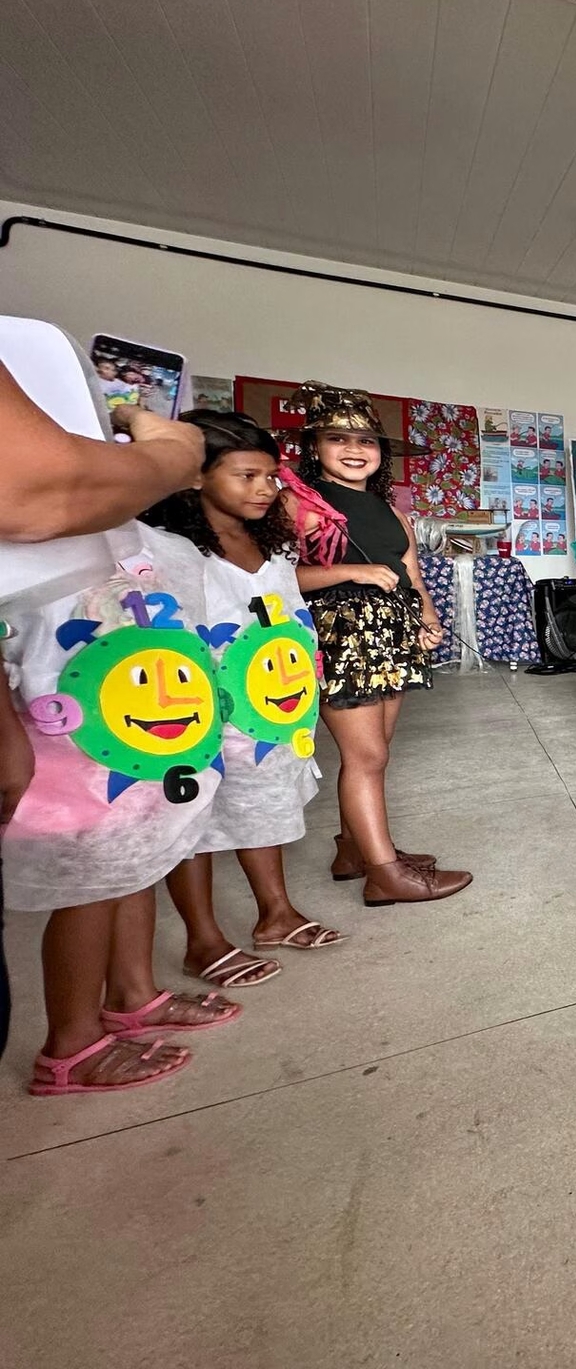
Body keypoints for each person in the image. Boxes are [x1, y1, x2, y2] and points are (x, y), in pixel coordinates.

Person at [0, 318, 218, 1087]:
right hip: (68, 734)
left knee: (135, 863)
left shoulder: (129, 536)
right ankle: (71, 1044)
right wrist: (168, 450)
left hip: (133, 734)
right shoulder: (39, 516)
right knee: (88, 882)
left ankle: (132, 995)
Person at [141, 411, 339, 990]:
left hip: (267, 706)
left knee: (264, 805)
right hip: (196, 708)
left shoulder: (268, 539)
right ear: (195, 477)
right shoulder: (171, 548)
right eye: (246, 475)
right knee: (193, 821)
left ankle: (275, 913)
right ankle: (203, 941)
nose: (264, 489)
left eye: (270, 476)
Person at [281, 382, 470, 906]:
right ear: (314, 447)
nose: (354, 449)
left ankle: (355, 849)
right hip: (339, 636)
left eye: (366, 440)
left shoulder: (391, 510)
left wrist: (426, 618)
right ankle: (385, 874)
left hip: (393, 631)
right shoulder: (299, 505)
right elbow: (269, 578)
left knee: (375, 754)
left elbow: (409, 570)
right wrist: (353, 571)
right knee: (366, 756)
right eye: (338, 438)